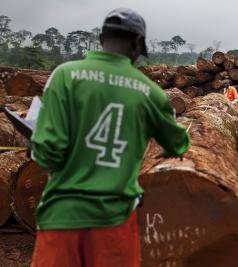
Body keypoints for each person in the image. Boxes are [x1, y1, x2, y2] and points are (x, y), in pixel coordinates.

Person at [30, 8, 190, 267]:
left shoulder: (64, 76)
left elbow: (47, 152)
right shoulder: (149, 92)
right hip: (114, 220)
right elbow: (178, 142)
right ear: (137, 45)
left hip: (61, 217)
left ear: (102, 39)